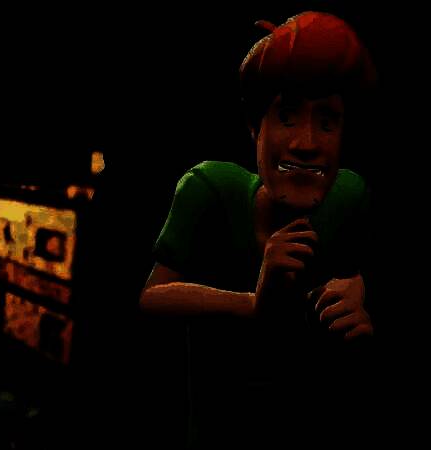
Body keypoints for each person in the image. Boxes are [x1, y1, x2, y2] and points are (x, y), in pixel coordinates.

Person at [138, 11, 379, 442]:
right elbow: (151, 297)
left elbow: (358, 273)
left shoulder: (350, 197)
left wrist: (359, 290)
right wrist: (253, 304)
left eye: (327, 122)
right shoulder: (208, 190)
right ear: (255, 127)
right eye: (286, 116)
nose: (306, 143)